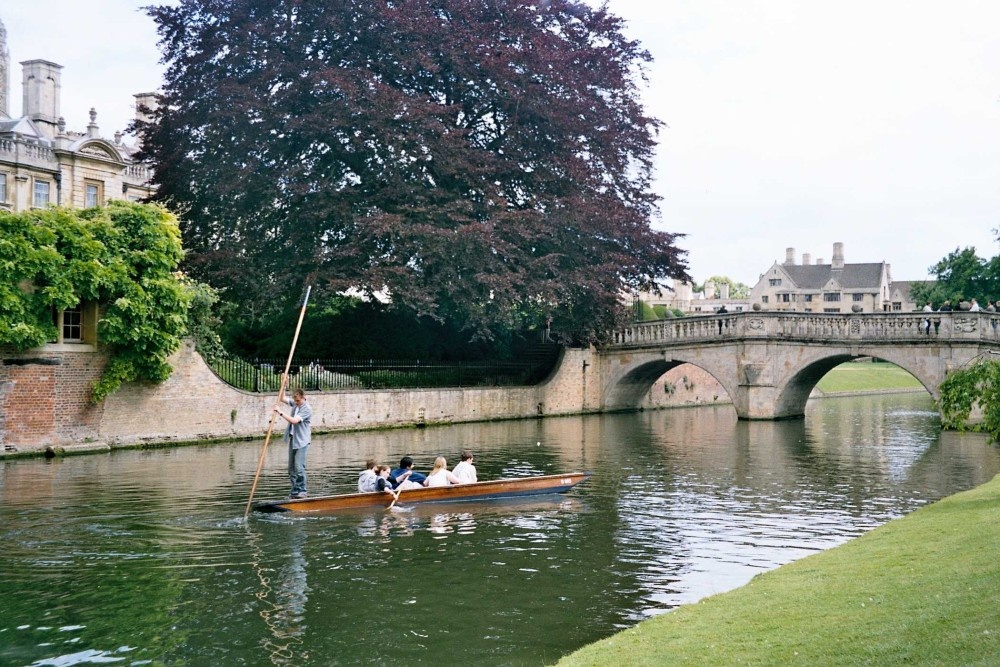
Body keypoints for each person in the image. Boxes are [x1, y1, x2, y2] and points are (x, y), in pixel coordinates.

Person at [274, 387, 312, 499]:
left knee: (299, 467)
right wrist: (284, 385)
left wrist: (280, 413)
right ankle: (295, 491)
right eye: (295, 401)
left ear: (303, 398)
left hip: (302, 441)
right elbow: (282, 398)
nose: (296, 403)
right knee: (291, 469)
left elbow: (295, 421)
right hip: (293, 439)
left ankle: (302, 491)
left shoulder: (307, 409)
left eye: (298, 401)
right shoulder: (296, 404)